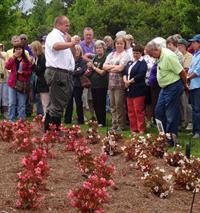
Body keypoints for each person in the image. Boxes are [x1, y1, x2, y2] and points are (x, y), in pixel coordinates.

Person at [145, 40, 187, 145]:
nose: (151, 57)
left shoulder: (168, 56)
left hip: (173, 86)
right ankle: (163, 136)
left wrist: (185, 85)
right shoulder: (159, 56)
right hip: (164, 88)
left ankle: (171, 139)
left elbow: (181, 72)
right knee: (158, 112)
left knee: (171, 113)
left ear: (156, 50)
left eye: (151, 54)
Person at [44, 15, 80, 131]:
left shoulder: (64, 37)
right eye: (66, 25)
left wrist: (71, 42)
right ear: (58, 24)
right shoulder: (53, 35)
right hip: (57, 72)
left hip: (64, 73)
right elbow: (56, 46)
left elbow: (74, 55)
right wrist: (70, 43)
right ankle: (53, 130)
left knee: (56, 101)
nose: (68, 27)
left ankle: (49, 129)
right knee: (58, 102)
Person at [103, 36, 129, 131]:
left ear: (124, 45)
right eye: (117, 43)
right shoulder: (111, 54)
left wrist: (110, 68)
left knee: (119, 104)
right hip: (111, 83)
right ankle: (114, 124)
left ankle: (121, 124)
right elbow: (104, 66)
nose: (119, 45)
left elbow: (121, 68)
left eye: (121, 43)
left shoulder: (125, 55)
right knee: (112, 104)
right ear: (115, 44)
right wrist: (114, 67)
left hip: (120, 83)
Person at [123, 44, 147, 134]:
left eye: (137, 53)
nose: (135, 55)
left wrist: (129, 82)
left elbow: (140, 75)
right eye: (134, 53)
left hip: (138, 89)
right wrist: (125, 81)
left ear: (141, 53)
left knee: (138, 110)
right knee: (130, 110)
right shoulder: (130, 62)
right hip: (129, 90)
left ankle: (141, 128)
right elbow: (125, 72)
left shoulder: (143, 63)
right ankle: (133, 128)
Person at [5, 43, 32, 122]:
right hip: (12, 83)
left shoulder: (26, 60)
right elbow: (7, 67)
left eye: (20, 49)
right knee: (11, 103)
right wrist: (13, 57)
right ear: (14, 50)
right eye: (16, 49)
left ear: (22, 50)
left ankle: (21, 121)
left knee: (22, 104)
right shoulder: (12, 59)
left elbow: (30, 72)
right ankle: (11, 120)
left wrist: (23, 72)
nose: (18, 51)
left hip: (22, 84)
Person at [87, 40, 108, 126]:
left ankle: (102, 121)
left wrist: (93, 67)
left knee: (101, 103)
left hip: (102, 84)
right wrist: (89, 67)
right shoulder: (95, 57)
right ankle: (98, 120)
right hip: (93, 84)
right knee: (95, 103)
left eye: (100, 48)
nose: (98, 49)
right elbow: (91, 69)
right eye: (97, 48)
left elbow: (103, 72)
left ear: (104, 49)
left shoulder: (106, 58)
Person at [64, 45, 86, 124]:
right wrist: (74, 71)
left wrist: (72, 72)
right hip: (69, 83)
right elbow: (67, 70)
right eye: (75, 50)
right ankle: (67, 119)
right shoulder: (70, 60)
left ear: (80, 52)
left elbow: (81, 71)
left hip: (78, 84)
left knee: (78, 102)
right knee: (69, 102)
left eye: (78, 50)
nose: (76, 52)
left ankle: (80, 119)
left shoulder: (82, 61)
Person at [30, 41, 49, 119]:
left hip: (44, 82)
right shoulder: (38, 57)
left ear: (35, 48)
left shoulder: (42, 58)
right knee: (43, 101)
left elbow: (39, 70)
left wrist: (32, 64)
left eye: (32, 48)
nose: (31, 50)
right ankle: (45, 116)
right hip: (41, 82)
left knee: (45, 102)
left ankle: (46, 117)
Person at [187, 34, 200, 138]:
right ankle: (195, 130)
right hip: (193, 85)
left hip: (198, 85)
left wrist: (187, 78)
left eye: (194, 42)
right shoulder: (195, 54)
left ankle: (198, 132)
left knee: (197, 109)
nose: (192, 44)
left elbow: (197, 71)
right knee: (194, 108)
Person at [0, 43, 9, 119]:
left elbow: (8, 62)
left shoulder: (5, 54)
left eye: (1, 46)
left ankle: (5, 112)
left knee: (5, 96)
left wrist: (2, 57)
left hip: (5, 79)